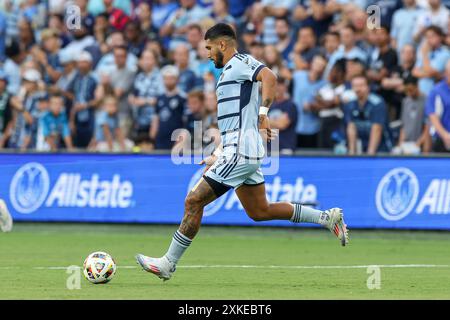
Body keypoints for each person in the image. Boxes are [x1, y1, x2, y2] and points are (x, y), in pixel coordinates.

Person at [136, 23, 349, 281]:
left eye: (209, 47)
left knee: (193, 201)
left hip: (241, 150)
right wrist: (218, 153)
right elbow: (233, 121)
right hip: (237, 149)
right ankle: (327, 218)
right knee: (260, 211)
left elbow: (269, 77)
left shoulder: (240, 62)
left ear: (222, 45)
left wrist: (263, 114)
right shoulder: (227, 73)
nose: (206, 53)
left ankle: (168, 263)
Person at [344, 75, 392, 155]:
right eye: (355, 86)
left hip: (381, 148)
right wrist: (352, 152)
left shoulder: (377, 103)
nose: (358, 89)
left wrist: (370, 154)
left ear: (368, 87)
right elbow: (351, 127)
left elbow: (376, 129)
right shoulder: (350, 104)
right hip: (363, 146)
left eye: (361, 85)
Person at [150, 65, 187, 150]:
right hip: (160, 138)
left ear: (177, 80)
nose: (168, 81)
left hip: (176, 138)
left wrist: (182, 137)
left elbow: (186, 120)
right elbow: (156, 117)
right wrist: (152, 135)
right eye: (166, 78)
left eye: (171, 78)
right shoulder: (160, 98)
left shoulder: (182, 98)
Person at [393, 75, 430, 154]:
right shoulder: (405, 101)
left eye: (411, 90)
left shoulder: (427, 101)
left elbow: (428, 127)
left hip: (420, 145)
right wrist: (400, 144)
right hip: (407, 144)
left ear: (417, 86)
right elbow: (403, 126)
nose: (409, 93)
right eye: (406, 91)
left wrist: (418, 144)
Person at [267, 77, 298, 154]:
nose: (277, 87)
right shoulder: (268, 105)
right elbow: (260, 125)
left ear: (285, 87)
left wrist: (267, 121)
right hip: (270, 147)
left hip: (285, 147)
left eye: (280, 85)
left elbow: (282, 125)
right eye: (275, 85)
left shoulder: (290, 105)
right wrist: (275, 122)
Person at [426, 59, 450, 152]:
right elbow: (433, 116)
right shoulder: (437, 91)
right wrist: (445, 135)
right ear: (445, 74)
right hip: (441, 141)